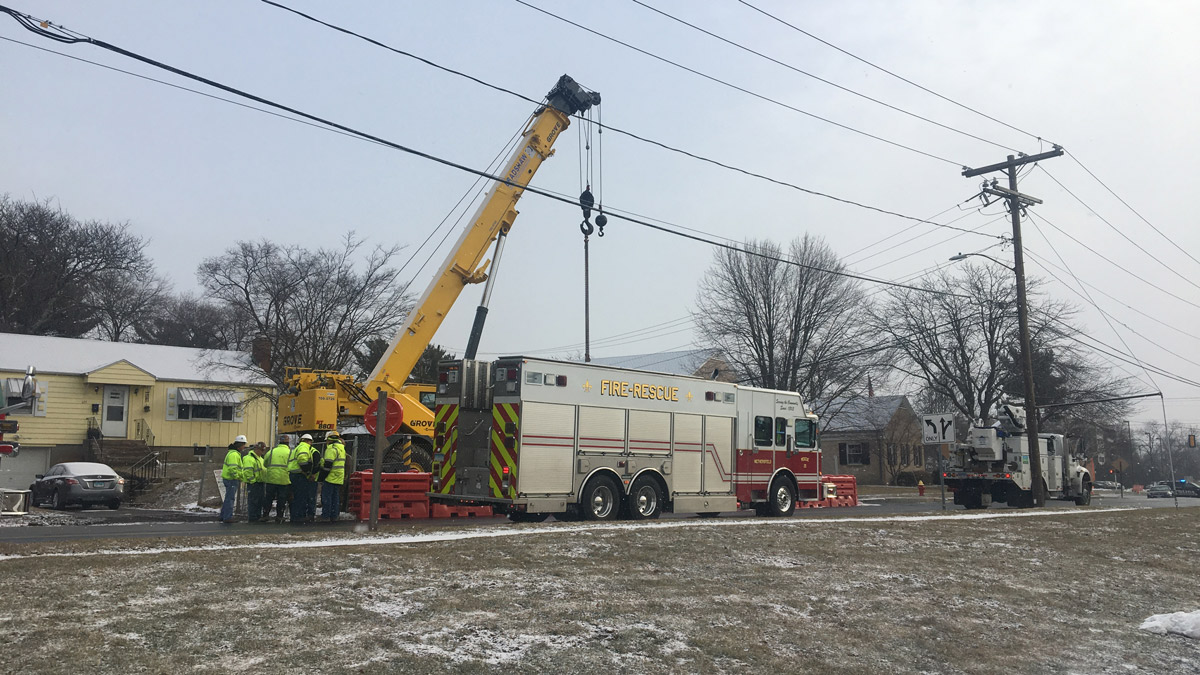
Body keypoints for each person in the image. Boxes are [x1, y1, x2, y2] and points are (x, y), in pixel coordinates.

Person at [262, 434, 293, 524]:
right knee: (281, 498)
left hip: (271, 478)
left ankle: (265, 515)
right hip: (284, 479)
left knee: (268, 498)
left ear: (279, 442)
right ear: (288, 443)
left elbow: (265, 464)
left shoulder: (272, 452)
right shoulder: (290, 452)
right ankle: (279, 516)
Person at [288, 433, 317, 524]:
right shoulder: (304, 447)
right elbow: (302, 460)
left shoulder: (296, 448)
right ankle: (299, 516)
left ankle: (294, 516)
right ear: (308, 441)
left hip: (294, 474)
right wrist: (308, 473)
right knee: (301, 497)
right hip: (299, 476)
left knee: (296, 497)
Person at [219, 434, 248, 524]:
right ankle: (227, 517)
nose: (244, 447)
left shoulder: (232, 453)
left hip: (230, 479)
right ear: (239, 445)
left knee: (228, 498)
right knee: (230, 499)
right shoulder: (234, 455)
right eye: (243, 444)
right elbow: (233, 469)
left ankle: (223, 515)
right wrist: (238, 476)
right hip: (231, 479)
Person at [321, 431, 347, 522]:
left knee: (326, 498)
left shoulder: (331, 449)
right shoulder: (341, 448)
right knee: (335, 498)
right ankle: (334, 516)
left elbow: (327, 465)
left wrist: (321, 477)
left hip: (330, 477)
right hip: (339, 477)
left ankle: (326, 516)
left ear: (329, 439)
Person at [242, 442, 267, 522]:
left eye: (263, 450)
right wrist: (252, 481)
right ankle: (253, 517)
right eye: (261, 450)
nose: (262, 452)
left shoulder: (260, 459)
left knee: (259, 500)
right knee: (253, 501)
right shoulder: (249, 458)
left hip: (260, 483)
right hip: (254, 483)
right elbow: (248, 471)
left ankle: (257, 516)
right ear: (256, 449)